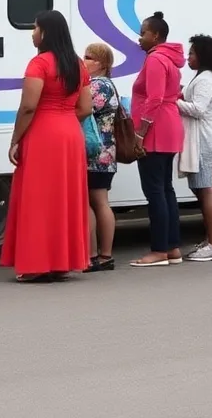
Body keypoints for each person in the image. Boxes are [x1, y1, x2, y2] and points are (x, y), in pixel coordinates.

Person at [1, 10, 93, 281]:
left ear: (45, 33)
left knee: (38, 198)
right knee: (65, 197)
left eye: (35, 28)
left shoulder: (39, 63)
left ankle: (36, 264)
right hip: (70, 134)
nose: (32, 33)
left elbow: (29, 106)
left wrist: (15, 140)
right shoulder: (78, 64)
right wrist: (64, 117)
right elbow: (85, 107)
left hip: (43, 133)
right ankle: (62, 262)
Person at [129, 11, 186, 268]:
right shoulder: (171, 60)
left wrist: (140, 132)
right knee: (165, 189)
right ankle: (172, 247)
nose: (139, 38)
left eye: (143, 33)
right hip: (170, 126)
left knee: (155, 192)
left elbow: (154, 99)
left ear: (156, 36)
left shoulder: (155, 60)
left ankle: (159, 250)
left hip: (155, 130)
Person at [178, 34, 212, 262]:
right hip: (199, 137)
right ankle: (211, 239)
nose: (189, 57)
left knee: (206, 188)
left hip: (203, 139)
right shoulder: (204, 77)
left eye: (192, 53)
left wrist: (173, 101)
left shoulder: (206, 78)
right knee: (200, 189)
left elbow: (198, 108)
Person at [82, 42, 121, 271]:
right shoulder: (107, 84)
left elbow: (84, 108)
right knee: (99, 201)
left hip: (96, 152)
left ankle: (97, 253)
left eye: (88, 57)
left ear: (101, 63)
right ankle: (101, 254)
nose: (83, 60)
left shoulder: (99, 85)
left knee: (95, 202)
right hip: (106, 152)